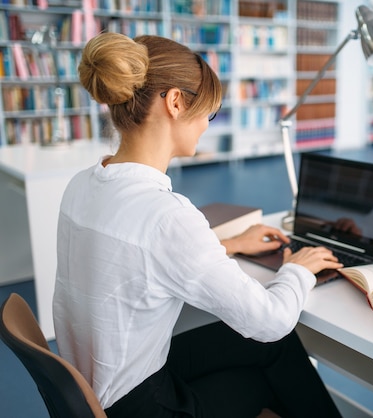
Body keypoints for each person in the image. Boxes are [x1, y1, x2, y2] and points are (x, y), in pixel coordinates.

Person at [52, 32, 344, 418]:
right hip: (141, 406)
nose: (207, 125)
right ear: (175, 102)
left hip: (97, 386)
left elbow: (131, 260)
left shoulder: (82, 184)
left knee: (276, 350)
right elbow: (270, 320)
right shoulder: (165, 214)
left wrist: (230, 245)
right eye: (209, 112)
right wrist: (297, 269)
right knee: (266, 368)